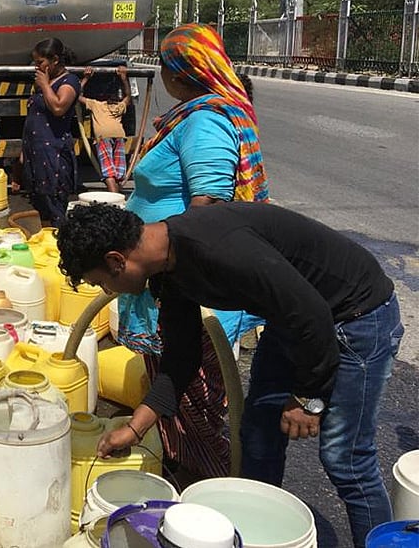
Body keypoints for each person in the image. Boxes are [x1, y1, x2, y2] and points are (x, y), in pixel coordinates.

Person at [57, 202, 403, 548]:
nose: (107, 292)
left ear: (118, 260)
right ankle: (256, 537)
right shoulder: (167, 269)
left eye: (101, 281)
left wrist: (308, 397)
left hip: (355, 316)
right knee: (258, 434)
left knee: (346, 459)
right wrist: (135, 428)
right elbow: (181, 357)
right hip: (293, 319)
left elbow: (314, 316)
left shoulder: (218, 248)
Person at [115, 22, 269, 481]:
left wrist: (170, 267)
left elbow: (209, 210)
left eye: (163, 65)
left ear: (179, 72)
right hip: (166, 283)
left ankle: (213, 495)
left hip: (189, 292)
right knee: (178, 404)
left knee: (194, 405)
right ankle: (185, 480)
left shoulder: (205, 121)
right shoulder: (192, 115)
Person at [23, 37, 81, 226]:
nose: (37, 67)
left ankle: (60, 248)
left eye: (41, 62)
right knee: (40, 205)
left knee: (55, 204)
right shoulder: (43, 84)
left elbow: (58, 108)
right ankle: (47, 247)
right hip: (36, 152)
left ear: (55, 60)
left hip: (54, 154)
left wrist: (46, 86)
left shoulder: (69, 81)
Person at [80, 65, 132, 193]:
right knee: (115, 172)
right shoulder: (113, 106)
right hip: (116, 137)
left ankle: (115, 197)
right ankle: (116, 197)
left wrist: (85, 79)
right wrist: (124, 79)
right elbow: (128, 96)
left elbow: (77, 95)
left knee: (111, 172)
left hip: (108, 138)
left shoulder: (98, 105)